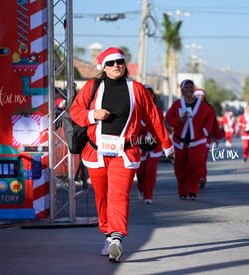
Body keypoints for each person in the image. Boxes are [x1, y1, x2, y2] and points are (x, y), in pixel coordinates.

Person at [70, 47, 174, 263]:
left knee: (119, 194)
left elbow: (154, 117)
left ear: (125, 65)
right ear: (103, 68)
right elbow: (75, 111)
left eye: (120, 61)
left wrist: (167, 146)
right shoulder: (91, 87)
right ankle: (108, 234)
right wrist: (92, 114)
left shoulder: (136, 89)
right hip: (96, 151)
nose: (116, 65)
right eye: (110, 63)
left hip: (124, 152)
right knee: (102, 196)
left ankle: (117, 236)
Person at [165, 80, 216, 200]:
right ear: (182, 90)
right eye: (186, 87)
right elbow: (168, 118)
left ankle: (193, 190)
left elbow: (211, 116)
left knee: (195, 164)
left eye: (191, 87)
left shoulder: (202, 105)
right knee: (179, 166)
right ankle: (182, 191)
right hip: (179, 141)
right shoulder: (177, 104)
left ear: (194, 90)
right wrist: (178, 121)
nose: (188, 89)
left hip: (197, 141)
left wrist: (205, 130)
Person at [136, 85, 165, 204]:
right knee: (140, 171)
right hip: (140, 144)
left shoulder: (158, 110)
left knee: (150, 170)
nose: (148, 96)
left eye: (150, 93)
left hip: (155, 145)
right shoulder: (135, 110)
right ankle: (142, 189)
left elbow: (158, 126)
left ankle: (149, 195)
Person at [193, 88, 222, 188]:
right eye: (197, 95)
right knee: (194, 159)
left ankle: (202, 178)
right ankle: (194, 178)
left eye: (202, 95)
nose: (200, 97)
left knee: (202, 158)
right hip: (192, 138)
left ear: (204, 97)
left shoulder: (209, 108)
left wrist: (217, 136)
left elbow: (214, 123)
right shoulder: (189, 106)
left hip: (205, 137)